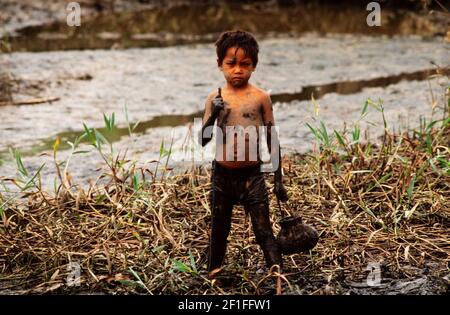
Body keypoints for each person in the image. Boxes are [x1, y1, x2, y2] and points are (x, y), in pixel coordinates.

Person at [199, 30, 289, 278]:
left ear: (254, 66)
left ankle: (277, 275)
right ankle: (213, 274)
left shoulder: (260, 97)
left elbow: (272, 137)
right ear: (220, 65)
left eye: (245, 64)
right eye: (231, 64)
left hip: (252, 175)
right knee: (219, 229)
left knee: (263, 230)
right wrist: (215, 114)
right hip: (222, 175)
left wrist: (279, 180)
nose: (237, 70)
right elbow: (203, 140)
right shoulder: (214, 98)